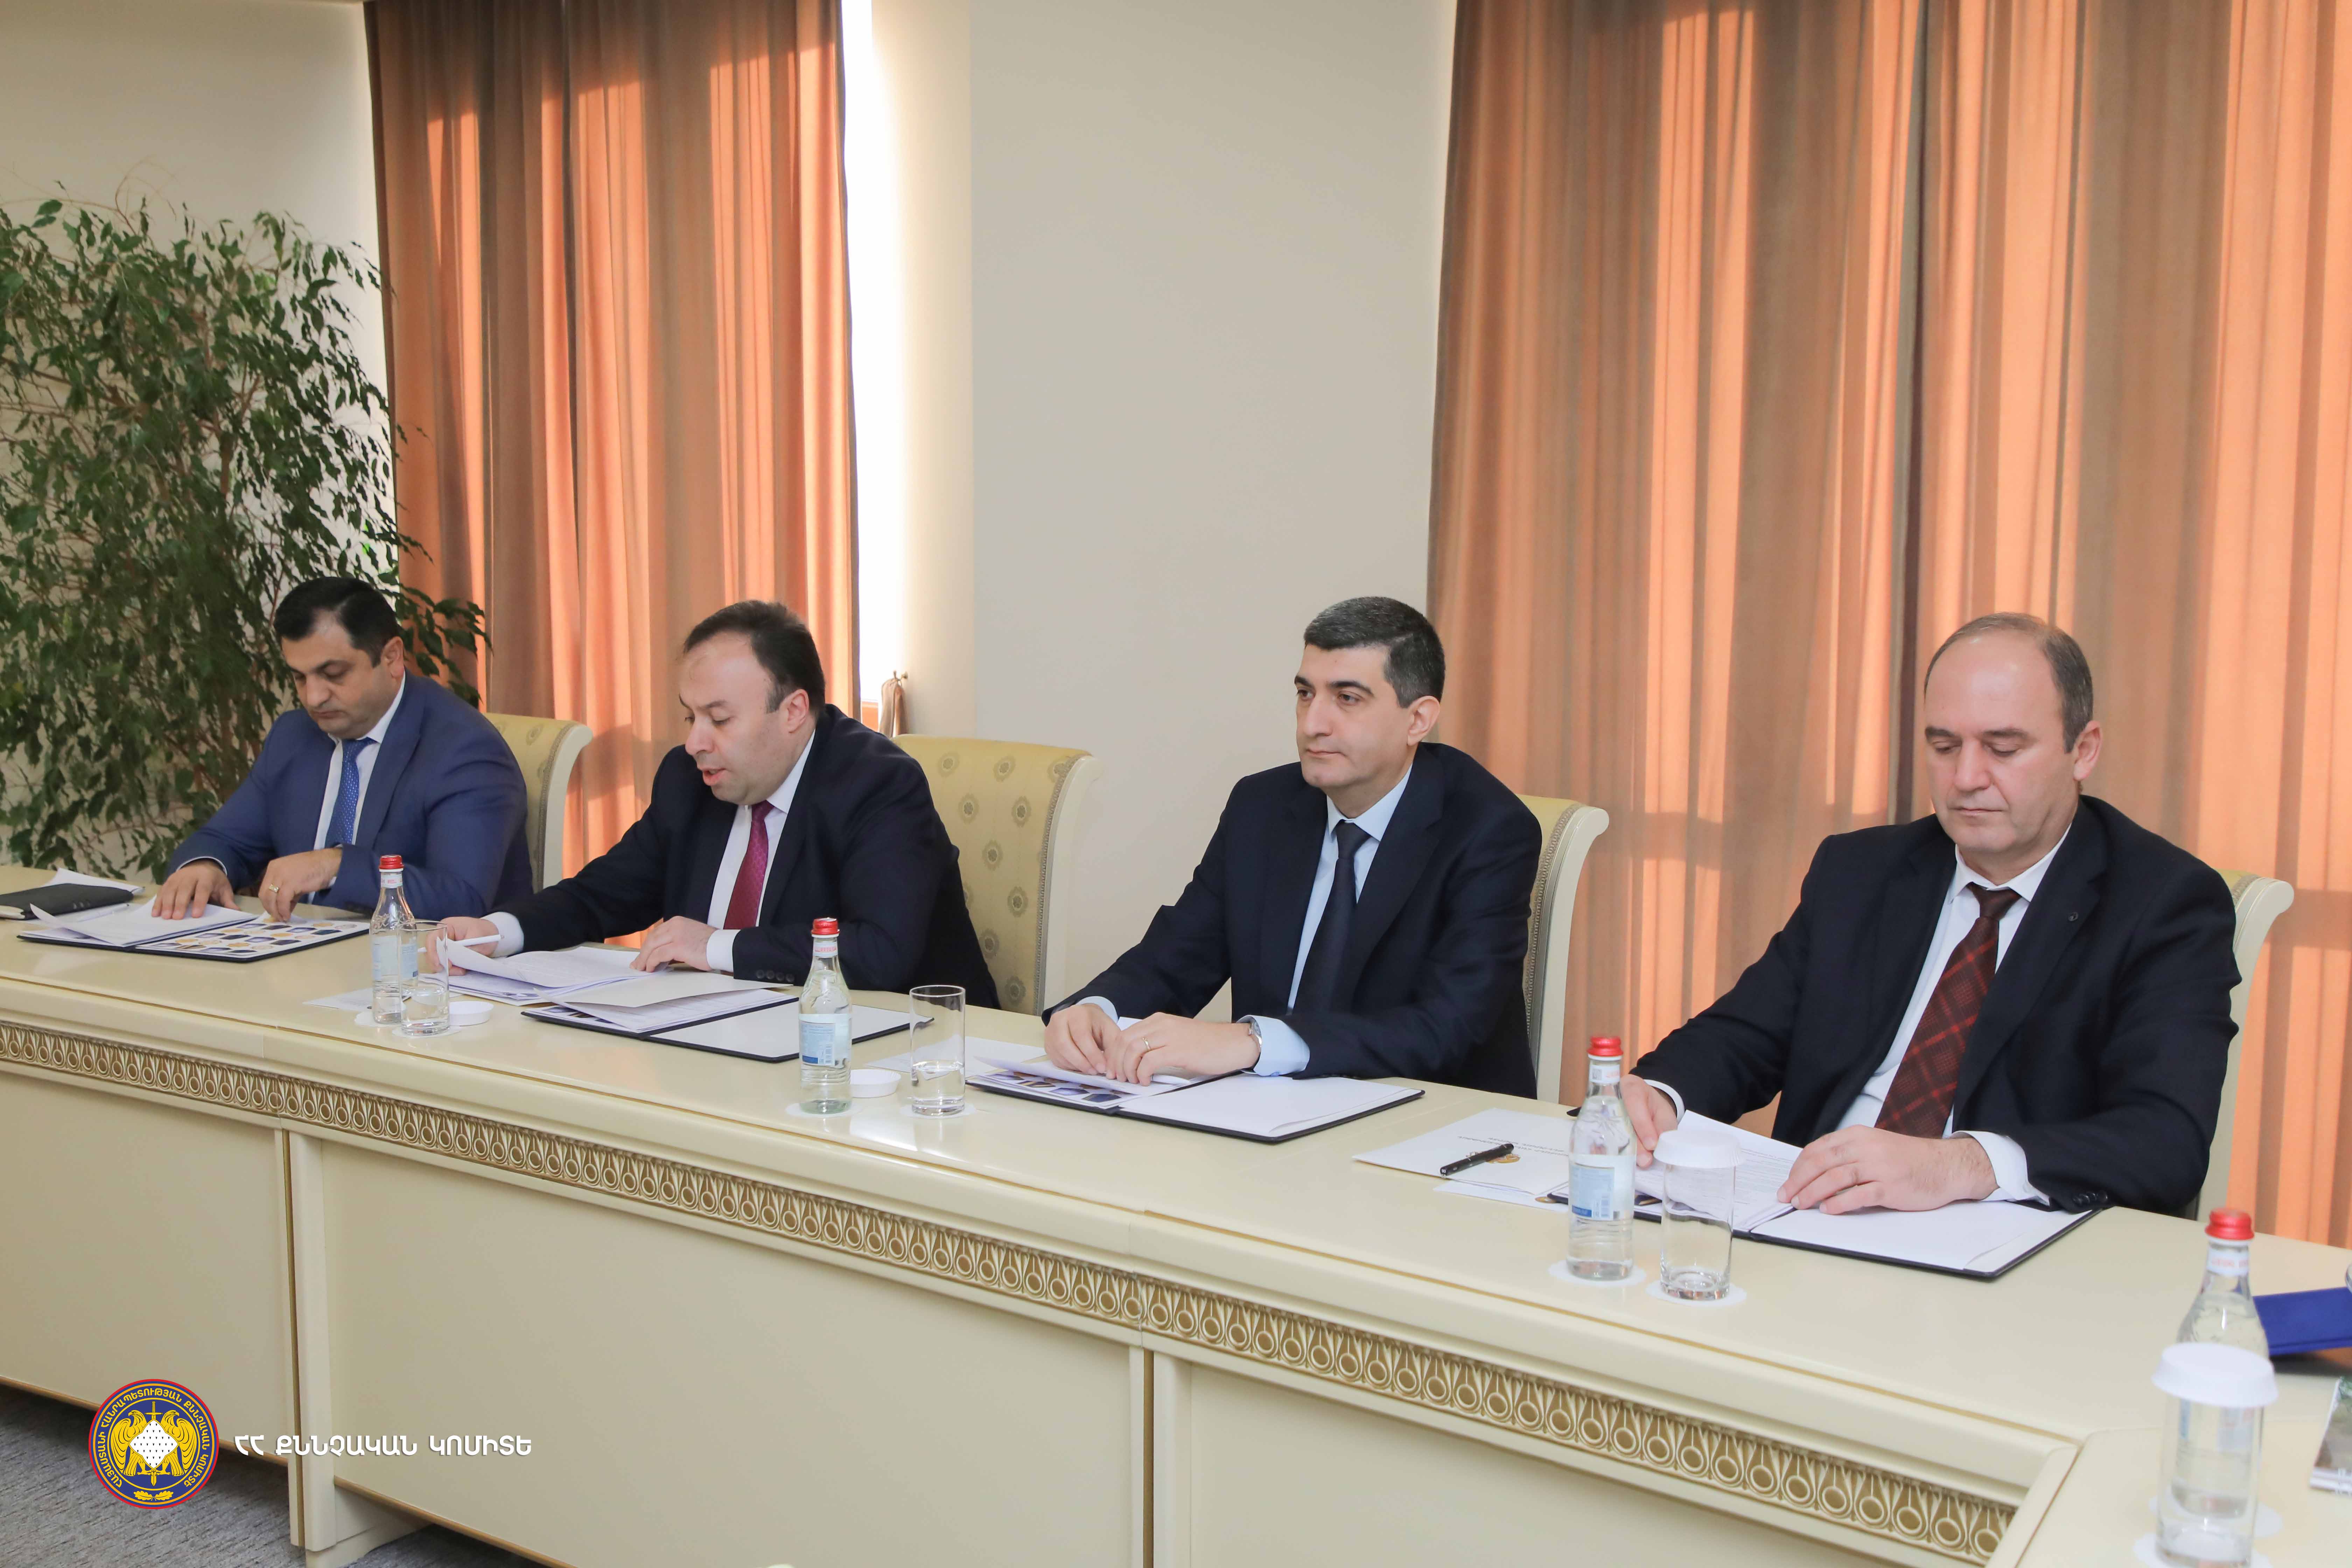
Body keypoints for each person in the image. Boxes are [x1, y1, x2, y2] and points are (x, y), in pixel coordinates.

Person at [1624, 614, 2239, 1217]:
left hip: (2003, 1243)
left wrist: (1961, 1164)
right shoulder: (1862, 871)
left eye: (2003, 748)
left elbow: (2165, 1139)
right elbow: (1745, 1036)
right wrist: (1661, 1096)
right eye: (1944, 747)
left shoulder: (2164, 903)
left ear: (2083, 750)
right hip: (1812, 1217)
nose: (1966, 778)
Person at [1042, 597, 1541, 1093]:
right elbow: (1181, 953)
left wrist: (1255, 1042)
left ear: (1418, 720)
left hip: (1430, 1115)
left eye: (1348, 699)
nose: (1311, 724)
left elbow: (1448, 1026)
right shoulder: (1262, 807)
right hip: (1271, 1112)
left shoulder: (1489, 829)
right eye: (1305, 694)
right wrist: (1098, 1008)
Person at [441, 600, 996, 999]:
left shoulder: (877, 786)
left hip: (897, 1064)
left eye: (720, 719)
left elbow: (879, 953)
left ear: (794, 711)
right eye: (691, 716)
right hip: (725, 1044)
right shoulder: (690, 780)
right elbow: (602, 896)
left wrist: (717, 947)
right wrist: (500, 930)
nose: (695, 742)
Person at [156, 578, 531, 922]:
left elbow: (462, 898)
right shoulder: (294, 736)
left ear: (392, 658)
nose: (313, 697)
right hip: (299, 956)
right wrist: (205, 867)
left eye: (333, 674)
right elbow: (226, 840)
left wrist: (335, 866)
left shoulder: (463, 749)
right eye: (299, 677)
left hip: (420, 964)